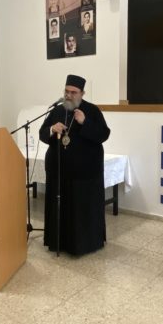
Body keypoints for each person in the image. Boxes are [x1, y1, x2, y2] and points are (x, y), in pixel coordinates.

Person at [39, 74, 110, 255]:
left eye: (73, 92)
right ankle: (58, 242)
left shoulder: (92, 111)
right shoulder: (57, 111)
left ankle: (84, 244)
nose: (69, 95)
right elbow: (42, 133)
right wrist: (51, 129)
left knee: (80, 210)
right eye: (66, 91)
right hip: (59, 171)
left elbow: (103, 134)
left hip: (84, 174)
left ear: (82, 93)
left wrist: (85, 122)